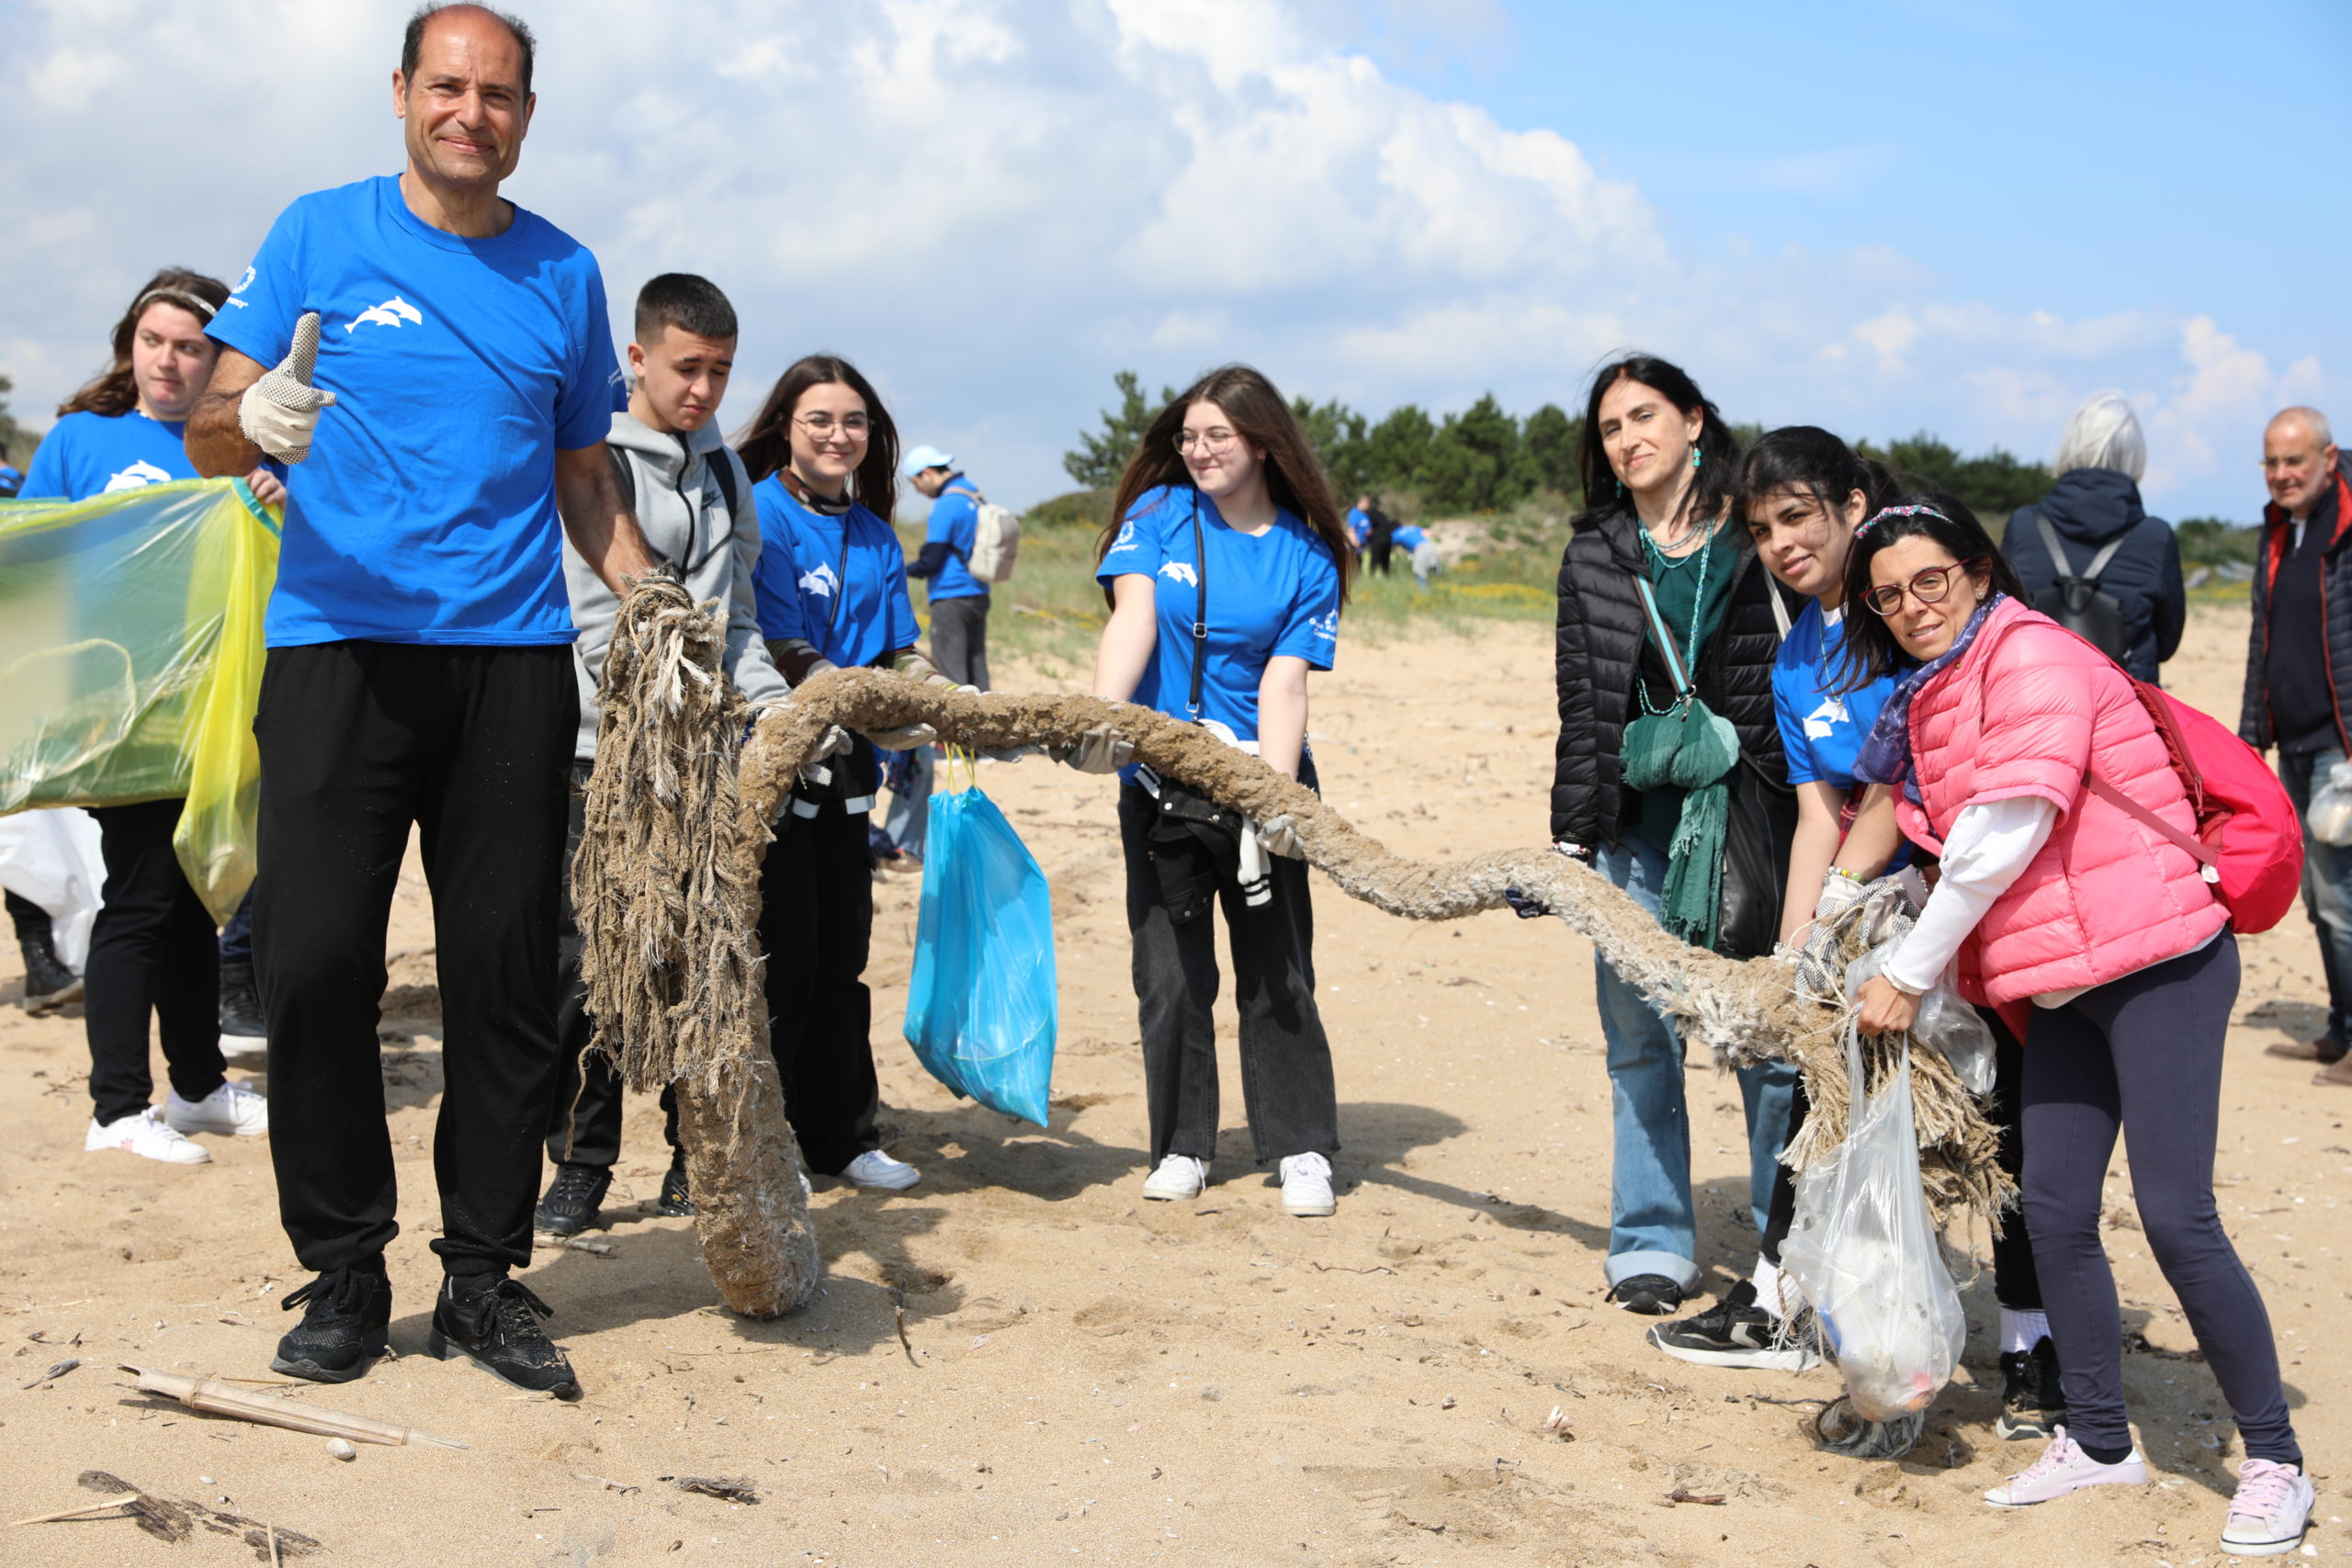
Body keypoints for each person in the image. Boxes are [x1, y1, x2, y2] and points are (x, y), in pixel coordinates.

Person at [188, 3, 659, 1399]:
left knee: (508, 980)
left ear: (526, 111)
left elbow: (583, 476)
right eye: (448, 86)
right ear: (401, 92)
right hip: (336, 646)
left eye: (499, 92)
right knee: (316, 965)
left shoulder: (566, 272)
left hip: (511, 664)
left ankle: (479, 1272)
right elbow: (212, 411)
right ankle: (344, 1267)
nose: (473, 112)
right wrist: (251, 416)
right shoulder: (319, 233)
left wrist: (653, 601)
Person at [1840, 500, 2312, 1554]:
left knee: (2176, 1215)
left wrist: (1908, 978)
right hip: (2058, 980)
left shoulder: (2030, 656)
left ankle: (2274, 1461)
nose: (1913, 606)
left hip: (2160, 962)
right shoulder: (1938, 685)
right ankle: (2099, 1440)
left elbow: (2004, 831)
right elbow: (1940, 840)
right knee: (2051, 1210)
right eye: (1888, 594)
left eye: (1930, 580)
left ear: (1973, 570)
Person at [1649, 430, 2065, 1443]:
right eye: (1760, 529)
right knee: (1818, 1102)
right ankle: (1779, 1302)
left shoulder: (1903, 623)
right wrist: (1796, 948)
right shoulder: (1795, 658)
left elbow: (1904, 781)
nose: (1781, 542)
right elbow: (1820, 813)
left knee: (1995, 1125)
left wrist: (1838, 898)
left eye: (1796, 516)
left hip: (1971, 914)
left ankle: (2028, 1346)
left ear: (1848, 503)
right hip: (1862, 921)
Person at [533, 273, 788, 1236]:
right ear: (635, 360)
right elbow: (591, 624)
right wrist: (663, 700)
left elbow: (742, 623)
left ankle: (693, 1157)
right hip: (603, 763)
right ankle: (582, 1165)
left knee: (704, 967)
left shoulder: (726, 475)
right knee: (596, 969)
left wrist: (768, 712)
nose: (705, 390)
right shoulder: (593, 465)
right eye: (688, 368)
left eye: (721, 371)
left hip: (712, 768)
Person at [1547, 354, 1797, 1316]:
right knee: (1640, 1041)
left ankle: (1786, 1241)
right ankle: (1649, 1242)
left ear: (1694, 421)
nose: (1627, 439)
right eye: (1610, 429)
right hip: (1631, 831)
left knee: (1767, 1043)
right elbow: (1582, 707)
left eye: (1644, 416)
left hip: (1748, 825)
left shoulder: (1758, 534)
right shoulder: (1594, 553)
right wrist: (1571, 840)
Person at [1078, 363, 1350, 1219]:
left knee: (1279, 970)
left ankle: (1300, 1145)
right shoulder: (1155, 519)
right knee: (1168, 973)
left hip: (1262, 780)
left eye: (1218, 437)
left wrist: (1271, 802)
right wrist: (1103, 720)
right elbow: (1135, 619)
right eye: (1189, 436)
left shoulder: (1310, 555)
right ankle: (1184, 1144)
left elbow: (1284, 685)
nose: (1197, 451)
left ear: (1263, 444)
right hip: (1160, 783)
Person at [24, 268, 280, 1165]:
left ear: (219, 359)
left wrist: (277, 505)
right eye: (153, 341)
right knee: (138, 898)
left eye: (189, 346)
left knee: (188, 902)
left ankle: (200, 1088)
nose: (168, 361)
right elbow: (34, 570)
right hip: (120, 709)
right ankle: (116, 1110)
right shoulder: (80, 441)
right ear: (127, 345)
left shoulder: (237, 447)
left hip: (215, 710)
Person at [741, 354, 955, 1193]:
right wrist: (843, 696)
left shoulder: (872, 530)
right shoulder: (761, 513)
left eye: (854, 421)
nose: (839, 435)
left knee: (843, 955)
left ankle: (843, 1134)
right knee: (782, 958)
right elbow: (779, 643)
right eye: (820, 420)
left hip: (854, 770)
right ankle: (770, 1139)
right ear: (787, 428)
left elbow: (900, 647)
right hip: (780, 765)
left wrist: (941, 692)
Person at [2238, 407, 2352, 1078]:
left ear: (2328, 460)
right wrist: (2251, 733)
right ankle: (2339, 1028)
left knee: (2340, 895)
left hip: (2343, 746)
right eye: (2271, 463)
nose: (2282, 475)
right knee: (2317, 895)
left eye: (2295, 462)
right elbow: (2264, 635)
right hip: (2296, 745)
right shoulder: (2279, 530)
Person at [2001, 390, 2185, 682]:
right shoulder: (2156, 536)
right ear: (2135, 455)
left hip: (2038, 697)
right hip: (2130, 705)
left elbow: (2002, 619)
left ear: (2071, 445)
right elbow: (2167, 641)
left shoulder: (2023, 525)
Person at [884, 443, 993, 863]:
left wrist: (900, 569)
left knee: (947, 669)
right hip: (979, 594)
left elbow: (932, 558)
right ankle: (983, 740)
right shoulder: (974, 494)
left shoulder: (948, 504)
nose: (918, 488)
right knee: (976, 668)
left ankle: (957, 742)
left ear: (928, 472)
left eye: (917, 481)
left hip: (950, 595)